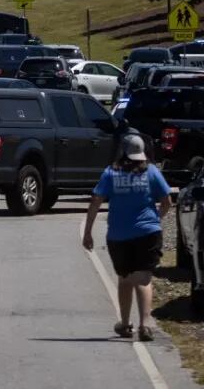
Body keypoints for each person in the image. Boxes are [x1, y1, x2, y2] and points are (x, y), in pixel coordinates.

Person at [82, 135, 172, 342]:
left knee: (125, 278)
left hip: (119, 235)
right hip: (147, 233)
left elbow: (96, 199)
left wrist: (88, 231)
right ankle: (145, 323)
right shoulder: (151, 172)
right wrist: (156, 218)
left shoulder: (111, 173)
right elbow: (166, 200)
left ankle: (124, 323)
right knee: (143, 278)